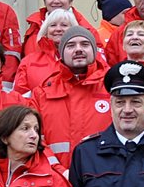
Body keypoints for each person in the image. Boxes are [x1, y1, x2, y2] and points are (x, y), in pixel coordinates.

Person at [29, 27, 110, 173]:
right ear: (61, 53)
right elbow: (34, 140)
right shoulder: (42, 93)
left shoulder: (112, 88)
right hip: (56, 179)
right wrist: (59, 171)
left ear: (95, 51)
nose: (78, 49)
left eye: (85, 44)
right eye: (71, 45)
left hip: (104, 178)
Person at [19, 0, 99, 51]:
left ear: (70, 1)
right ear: (45, 1)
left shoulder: (87, 31)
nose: (56, 1)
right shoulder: (34, 27)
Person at [12, 7, 74, 96]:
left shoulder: (80, 60)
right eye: (53, 25)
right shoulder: (29, 61)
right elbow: (19, 96)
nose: (58, 29)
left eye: (64, 25)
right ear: (46, 31)